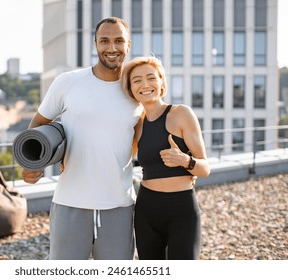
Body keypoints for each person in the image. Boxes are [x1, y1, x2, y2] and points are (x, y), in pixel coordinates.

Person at [21, 17, 143, 260]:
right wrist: (32, 165)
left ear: (128, 45)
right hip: (70, 202)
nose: (111, 48)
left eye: (119, 41)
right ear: (95, 44)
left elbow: (137, 142)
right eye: (104, 41)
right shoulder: (68, 82)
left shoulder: (136, 90)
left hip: (118, 205)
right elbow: (38, 124)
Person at [121, 56, 210, 260]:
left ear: (161, 82)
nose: (145, 84)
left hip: (182, 209)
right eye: (136, 80)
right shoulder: (136, 124)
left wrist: (185, 161)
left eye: (151, 77)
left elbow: (205, 169)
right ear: (131, 89)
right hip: (146, 210)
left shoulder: (181, 113)